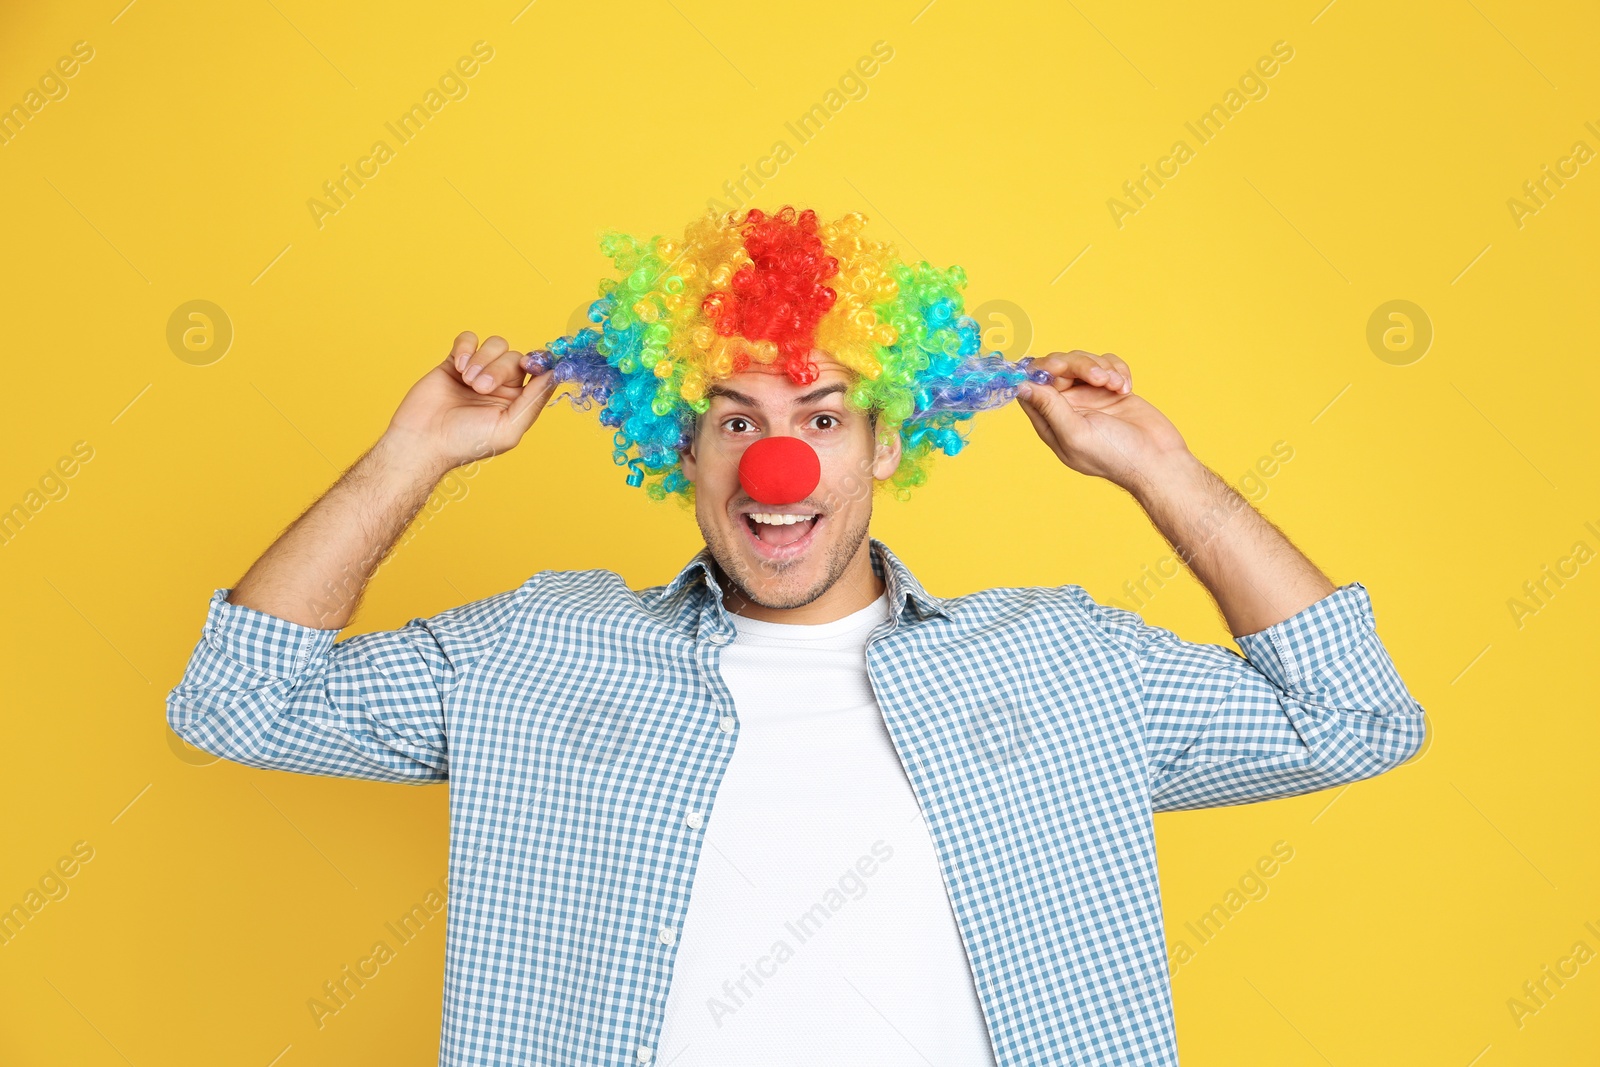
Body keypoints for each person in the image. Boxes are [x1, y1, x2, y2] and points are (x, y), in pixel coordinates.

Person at [167, 205, 1427, 1067]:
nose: (778, 455)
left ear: (886, 442)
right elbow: (238, 703)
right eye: (734, 418)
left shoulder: (1063, 660)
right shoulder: (539, 650)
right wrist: (412, 455)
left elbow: (1356, 718)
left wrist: (1164, 473)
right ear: (682, 444)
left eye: (822, 416)